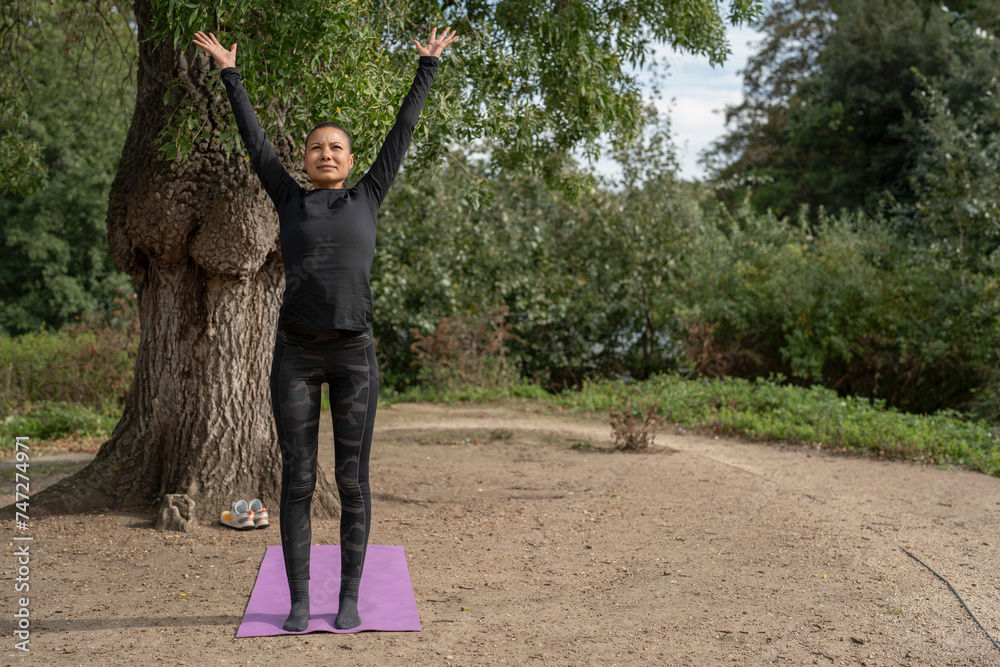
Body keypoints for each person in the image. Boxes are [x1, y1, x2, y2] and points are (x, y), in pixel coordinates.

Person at [193, 26, 458, 632]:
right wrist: (231, 74)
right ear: (306, 160)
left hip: (354, 356)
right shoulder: (288, 198)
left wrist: (427, 68)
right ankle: (298, 601)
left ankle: (349, 599)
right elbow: (256, 142)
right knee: (298, 480)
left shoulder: (368, 195)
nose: (327, 154)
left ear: (351, 160)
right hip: (295, 355)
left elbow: (402, 132)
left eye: (337, 147)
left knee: (353, 482)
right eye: (317, 148)